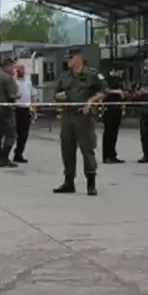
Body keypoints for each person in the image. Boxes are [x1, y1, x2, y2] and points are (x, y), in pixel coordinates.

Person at [53, 48, 107, 197]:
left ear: (79, 58)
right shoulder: (64, 76)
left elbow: (103, 91)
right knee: (67, 150)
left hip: (84, 117)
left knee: (87, 149)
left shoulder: (92, 74)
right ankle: (68, 182)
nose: (68, 61)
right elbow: (56, 94)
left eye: (71, 58)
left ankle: (91, 183)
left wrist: (91, 101)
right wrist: (60, 96)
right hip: (67, 116)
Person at [0, 56, 19, 168]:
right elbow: (12, 95)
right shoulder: (8, 78)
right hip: (5, 109)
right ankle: (4, 158)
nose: (14, 70)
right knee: (11, 134)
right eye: (13, 67)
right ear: (8, 66)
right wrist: (18, 96)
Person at [101, 64, 128, 164]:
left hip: (117, 108)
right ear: (115, 71)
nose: (121, 75)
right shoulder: (105, 80)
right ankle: (106, 156)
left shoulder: (118, 81)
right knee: (108, 132)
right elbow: (104, 91)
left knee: (114, 133)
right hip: (109, 108)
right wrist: (117, 92)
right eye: (120, 72)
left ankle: (113, 154)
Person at [12, 63, 36, 163]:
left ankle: (18, 154)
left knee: (24, 134)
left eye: (22, 68)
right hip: (15, 109)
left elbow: (33, 95)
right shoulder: (13, 81)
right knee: (13, 134)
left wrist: (34, 109)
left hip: (26, 109)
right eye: (19, 68)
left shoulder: (28, 81)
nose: (21, 70)